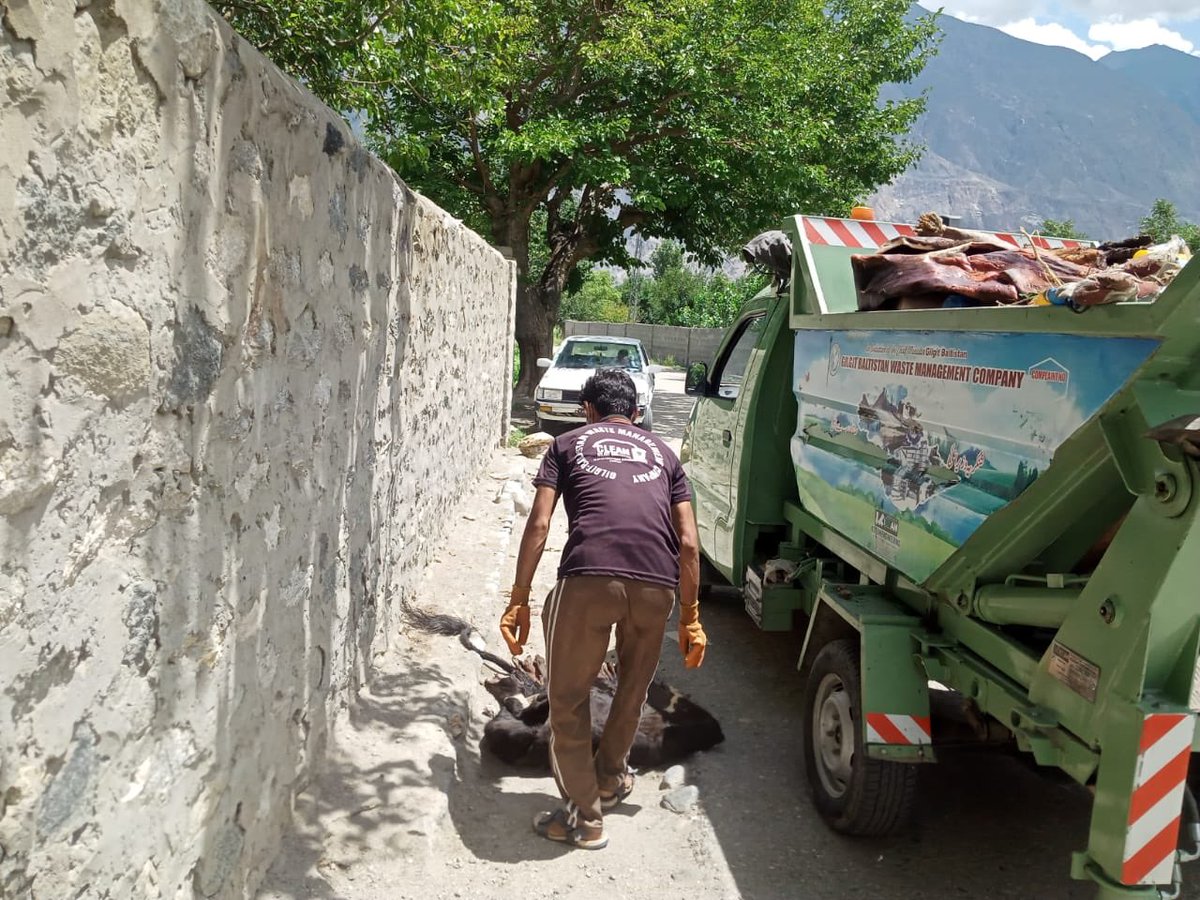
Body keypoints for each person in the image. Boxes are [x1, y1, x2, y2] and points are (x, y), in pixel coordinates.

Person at [499, 367, 707, 851]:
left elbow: (539, 524)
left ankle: (584, 820)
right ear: (636, 414)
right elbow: (690, 544)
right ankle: (610, 780)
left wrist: (519, 598)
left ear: (587, 411)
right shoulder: (664, 454)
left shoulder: (567, 444)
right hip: (657, 586)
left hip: (590, 577)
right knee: (632, 692)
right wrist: (691, 616)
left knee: (568, 702)